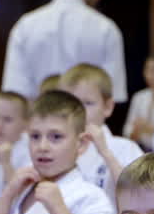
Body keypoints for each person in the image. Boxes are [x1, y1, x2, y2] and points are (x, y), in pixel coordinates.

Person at [2, 0, 127, 102]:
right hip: (84, 121)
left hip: (39, 117)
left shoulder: (25, 26)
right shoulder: (106, 29)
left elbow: (15, 91)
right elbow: (112, 93)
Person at [58, 64, 145, 198]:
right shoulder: (52, 147)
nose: (78, 111)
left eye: (88, 103)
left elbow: (141, 196)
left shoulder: (124, 148)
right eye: (70, 103)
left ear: (108, 107)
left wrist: (105, 152)